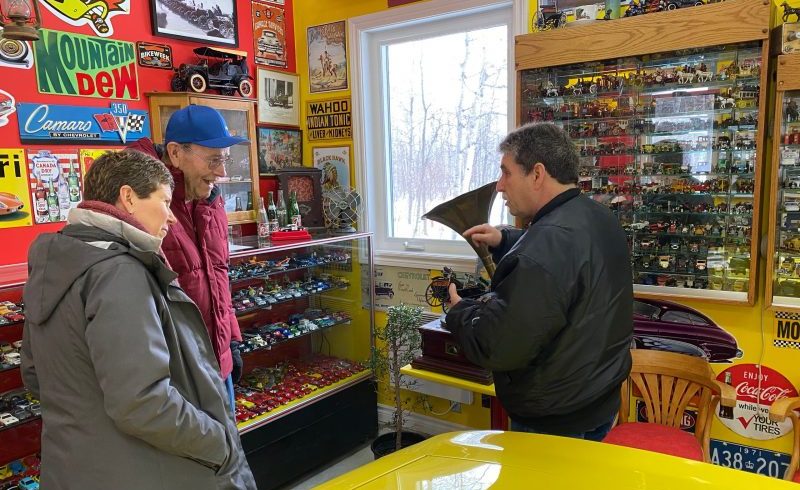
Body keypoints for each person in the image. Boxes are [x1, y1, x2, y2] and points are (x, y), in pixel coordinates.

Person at [20, 150, 256, 490]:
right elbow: (143, 402)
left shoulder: (58, 261)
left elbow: (35, 375)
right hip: (137, 471)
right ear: (128, 197)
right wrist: (221, 446)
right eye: (164, 200)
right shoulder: (119, 271)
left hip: (71, 466)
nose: (172, 217)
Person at [445, 122, 633, 441]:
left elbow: (498, 347)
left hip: (553, 421)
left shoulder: (544, 248)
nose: (499, 186)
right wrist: (506, 240)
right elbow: (569, 260)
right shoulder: (597, 216)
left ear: (537, 174)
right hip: (597, 401)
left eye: (506, 172)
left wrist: (459, 311)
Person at [128, 105, 246, 411]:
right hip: (175, 375)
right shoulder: (144, 207)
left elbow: (218, 275)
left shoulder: (211, 201)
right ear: (176, 153)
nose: (221, 172)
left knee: (228, 452)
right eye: (213, 159)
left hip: (218, 364)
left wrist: (230, 341)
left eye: (224, 159)